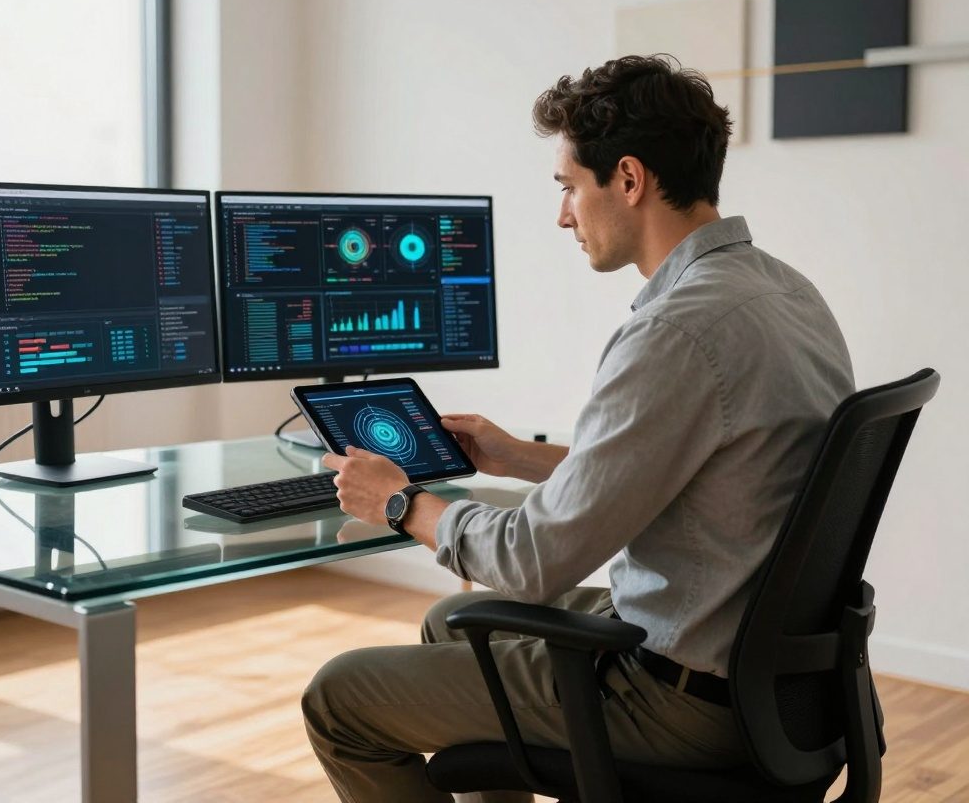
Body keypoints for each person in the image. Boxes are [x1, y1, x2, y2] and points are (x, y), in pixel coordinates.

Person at [301, 54, 854, 803]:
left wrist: (402, 505)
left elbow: (535, 563)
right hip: (777, 676)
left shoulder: (676, 332)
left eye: (568, 187)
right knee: (457, 621)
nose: (563, 214)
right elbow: (701, 470)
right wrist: (516, 456)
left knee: (339, 698)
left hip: (683, 699)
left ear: (627, 180)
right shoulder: (785, 291)